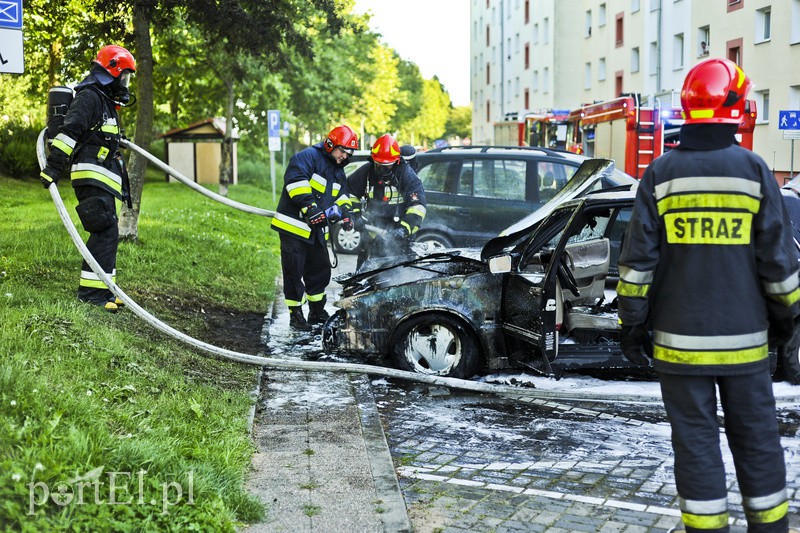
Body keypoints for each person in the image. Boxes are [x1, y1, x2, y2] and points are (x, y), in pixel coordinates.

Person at [616, 58, 800, 533]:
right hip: (746, 344)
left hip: (679, 345)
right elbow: (778, 265)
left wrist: (632, 324)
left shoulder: (659, 174)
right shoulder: (756, 171)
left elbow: (637, 264)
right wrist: (788, 319)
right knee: (757, 441)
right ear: (737, 108)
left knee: (695, 444)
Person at [40, 45, 137, 313]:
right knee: (103, 230)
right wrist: (54, 168)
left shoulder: (105, 102)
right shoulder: (89, 97)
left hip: (104, 178)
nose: (125, 83)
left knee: (108, 232)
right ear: (112, 71)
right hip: (90, 176)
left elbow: (98, 135)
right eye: (124, 76)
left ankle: (106, 289)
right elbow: (70, 132)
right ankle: (91, 294)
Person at [270, 125, 358, 331]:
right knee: (293, 272)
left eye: (348, 153)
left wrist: (347, 214)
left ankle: (317, 311)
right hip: (294, 228)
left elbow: (342, 195)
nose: (344, 157)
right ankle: (296, 315)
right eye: (342, 151)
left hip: (317, 230)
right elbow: (296, 182)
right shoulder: (307, 157)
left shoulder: (338, 170)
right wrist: (311, 207)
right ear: (330, 145)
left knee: (319, 271)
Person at [348, 134, 426, 268]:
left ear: (396, 161)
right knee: (365, 274)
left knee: (396, 274)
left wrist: (403, 230)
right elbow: (349, 193)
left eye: (387, 166)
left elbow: (418, 207)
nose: (383, 170)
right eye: (379, 165)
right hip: (372, 236)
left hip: (399, 238)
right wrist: (354, 214)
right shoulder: (367, 172)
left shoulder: (406, 174)